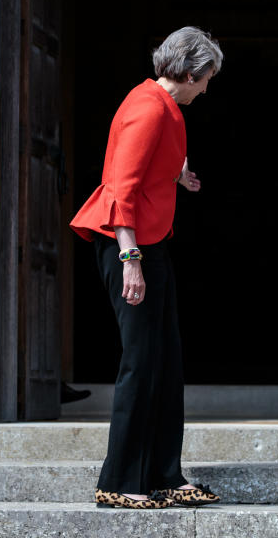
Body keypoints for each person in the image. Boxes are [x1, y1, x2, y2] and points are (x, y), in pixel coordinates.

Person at [70, 26, 223, 510]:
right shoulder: (148, 107)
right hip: (127, 244)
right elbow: (120, 186)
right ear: (192, 71)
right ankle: (119, 482)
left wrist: (178, 174)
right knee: (140, 363)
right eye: (208, 78)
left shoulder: (166, 107)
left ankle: (162, 474)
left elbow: (147, 162)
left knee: (165, 360)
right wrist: (130, 258)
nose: (208, 87)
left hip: (149, 243)